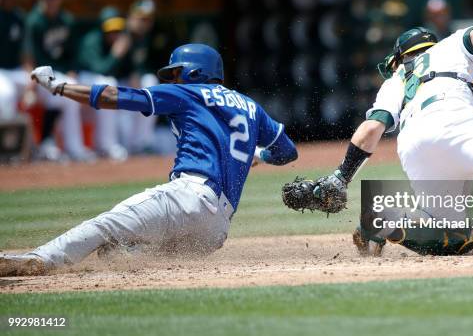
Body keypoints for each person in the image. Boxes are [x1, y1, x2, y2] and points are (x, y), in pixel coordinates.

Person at [0, 44, 297, 276]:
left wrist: (59, 87)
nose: (173, 79)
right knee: (118, 255)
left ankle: (39, 259)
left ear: (195, 72)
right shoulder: (250, 106)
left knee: (105, 226)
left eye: (177, 72)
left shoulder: (187, 92)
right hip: (215, 230)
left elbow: (114, 96)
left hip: (189, 197)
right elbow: (288, 152)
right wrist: (258, 154)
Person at [283, 26, 473, 257]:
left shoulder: (396, 79)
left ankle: (384, 219)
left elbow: (372, 128)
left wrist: (342, 176)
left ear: (402, 55)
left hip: (414, 143)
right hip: (453, 118)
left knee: (451, 238)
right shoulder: (450, 46)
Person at [23, 0, 92, 161]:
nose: (51, 0)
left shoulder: (67, 20)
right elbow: (28, 55)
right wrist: (30, 85)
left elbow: (73, 55)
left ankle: (71, 147)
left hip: (60, 72)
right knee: (62, 94)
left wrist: (72, 72)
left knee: (72, 91)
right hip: (39, 74)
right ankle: (47, 143)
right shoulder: (34, 21)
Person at [77, 7, 131, 160]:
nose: (114, 33)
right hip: (84, 79)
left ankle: (133, 143)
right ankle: (107, 144)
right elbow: (102, 69)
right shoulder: (92, 41)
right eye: (111, 30)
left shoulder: (123, 40)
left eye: (117, 29)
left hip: (102, 80)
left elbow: (130, 69)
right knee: (108, 84)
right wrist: (116, 54)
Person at [116, 0, 160, 153]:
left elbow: (142, 65)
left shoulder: (145, 37)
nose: (145, 22)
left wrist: (136, 73)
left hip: (132, 81)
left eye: (148, 19)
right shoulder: (123, 33)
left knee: (151, 83)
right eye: (141, 18)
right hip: (115, 81)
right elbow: (112, 65)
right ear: (132, 17)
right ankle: (125, 146)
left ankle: (143, 142)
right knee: (126, 106)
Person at [0, 0, 27, 121]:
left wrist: (32, 82)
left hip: (16, 71)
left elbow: (26, 52)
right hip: (0, 71)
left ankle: (43, 139)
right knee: (6, 94)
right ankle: (7, 143)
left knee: (49, 89)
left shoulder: (19, 16)